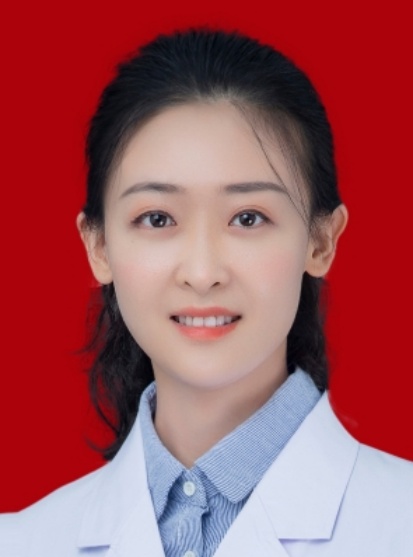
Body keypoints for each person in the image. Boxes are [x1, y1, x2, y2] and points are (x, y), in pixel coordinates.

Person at [1, 27, 412, 557]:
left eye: (248, 217)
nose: (201, 273)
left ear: (321, 240)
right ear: (98, 246)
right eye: (157, 218)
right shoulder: (23, 542)